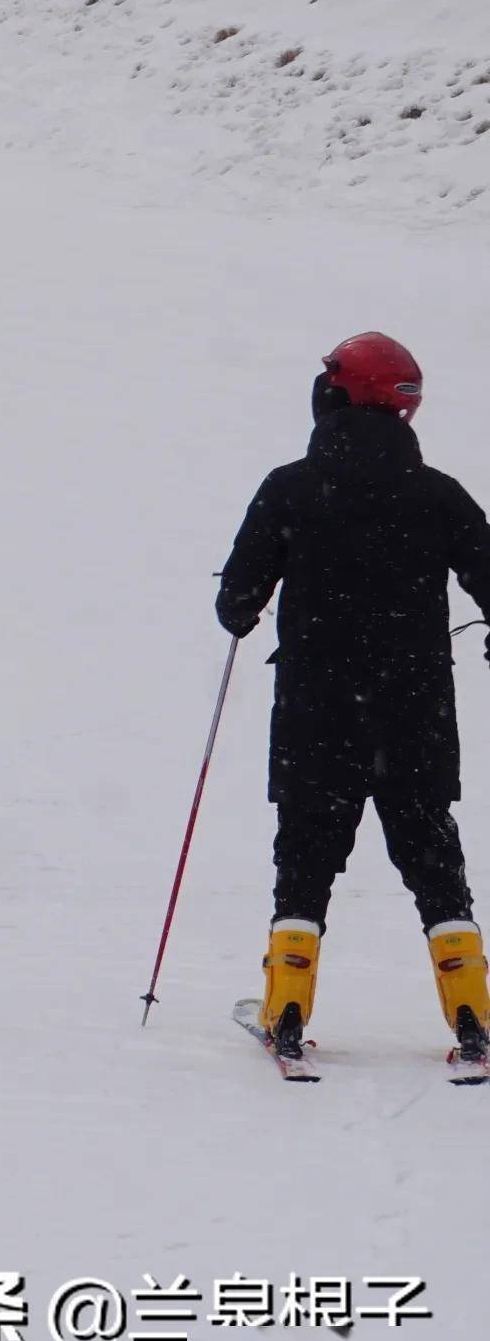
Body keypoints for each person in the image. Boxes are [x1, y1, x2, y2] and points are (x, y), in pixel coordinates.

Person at [216, 332, 490, 1072]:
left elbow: (236, 606)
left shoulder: (291, 487)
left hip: (317, 712)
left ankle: (287, 1009)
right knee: (434, 857)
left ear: (338, 396)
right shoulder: (438, 494)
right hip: (416, 712)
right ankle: (474, 1015)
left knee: (304, 857)